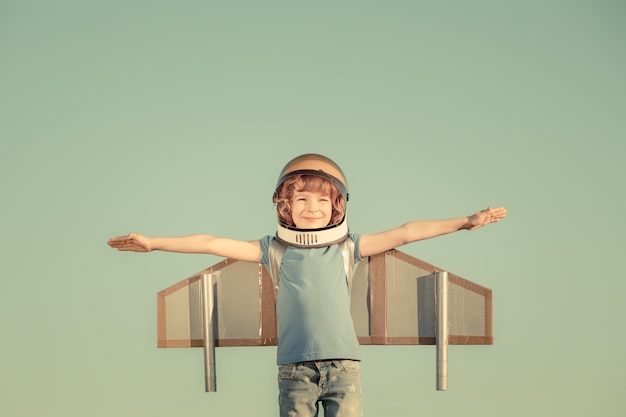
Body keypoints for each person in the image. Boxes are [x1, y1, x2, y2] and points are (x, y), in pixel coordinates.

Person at [108, 153, 506, 417]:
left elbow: (407, 232)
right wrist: (154, 243)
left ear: (337, 207)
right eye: (300, 200)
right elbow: (211, 242)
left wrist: (466, 222)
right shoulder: (273, 249)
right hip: (293, 368)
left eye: (320, 201)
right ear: (285, 207)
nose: (310, 208)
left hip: (344, 367)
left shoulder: (350, 248)